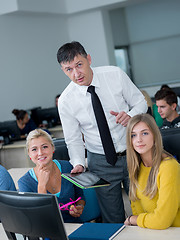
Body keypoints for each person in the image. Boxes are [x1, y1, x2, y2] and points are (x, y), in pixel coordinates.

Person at [57, 41, 147, 223]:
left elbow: (141, 103)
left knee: (144, 209)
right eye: (68, 69)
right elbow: (73, 138)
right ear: (63, 70)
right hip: (100, 160)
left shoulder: (114, 74)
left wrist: (130, 115)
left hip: (133, 153)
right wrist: (78, 163)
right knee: (112, 218)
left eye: (79, 65)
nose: (76, 74)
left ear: (88, 59)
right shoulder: (66, 100)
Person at [124, 113, 180, 229]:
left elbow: (162, 220)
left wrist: (133, 219)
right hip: (151, 230)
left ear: (154, 135)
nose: (139, 140)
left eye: (144, 133)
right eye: (133, 135)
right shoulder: (135, 167)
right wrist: (137, 219)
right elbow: (137, 209)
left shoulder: (169, 167)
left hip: (174, 231)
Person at [18, 129, 85, 223]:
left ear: (53, 148)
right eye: (34, 149)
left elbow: (80, 195)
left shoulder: (67, 167)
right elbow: (38, 218)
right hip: (48, 231)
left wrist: (79, 207)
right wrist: (41, 186)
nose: (40, 153)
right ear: (29, 154)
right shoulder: (24, 182)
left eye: (44, 147)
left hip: (75, 226)